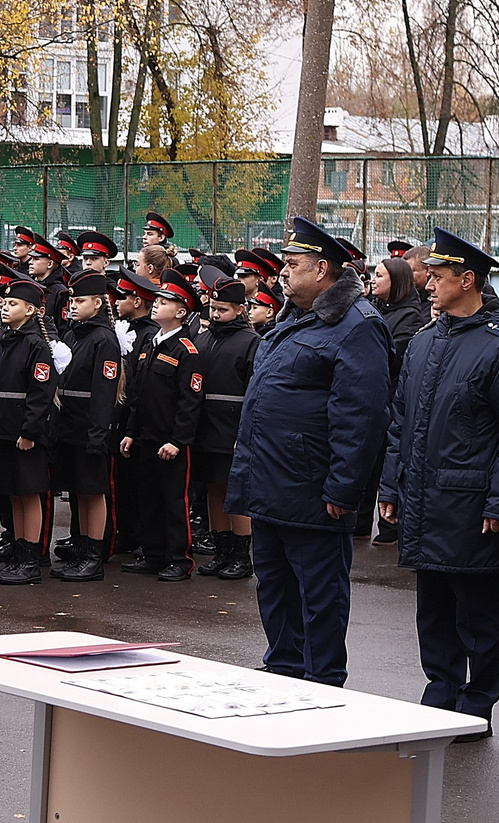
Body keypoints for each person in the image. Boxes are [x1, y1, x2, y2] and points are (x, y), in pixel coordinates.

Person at [376, 230, 499, 729]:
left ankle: (476, 703)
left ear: (467, 280)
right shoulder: (425, 341)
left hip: (471, 502)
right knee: (433, 607)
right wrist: (391, 485)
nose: (428, 284)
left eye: (438, 276)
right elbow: (401, 421)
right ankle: (441, 690)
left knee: (476, 611)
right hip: (425, 498)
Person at [229, 217, 390, 685]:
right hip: (270, 482)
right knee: (274, 584)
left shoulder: (356, 325)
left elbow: (361, 416)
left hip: (313, 489)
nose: (283, 271)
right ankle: (283, 668)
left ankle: (323, 681)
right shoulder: (293, 318)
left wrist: (343, 487)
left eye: (293, 264)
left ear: (322, 270)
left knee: (320, 594)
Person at [116, 274, 205, 581]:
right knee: (149, 499)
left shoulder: (186, 350)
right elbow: (138, 395)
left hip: (170, 441)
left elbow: (190, 402)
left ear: (181, 311)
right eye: (158, 300)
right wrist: (131, 432)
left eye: (165, 302)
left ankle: (180, 559)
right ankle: (154, 555)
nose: (156, 304)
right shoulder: (152, 344)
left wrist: (178, 441)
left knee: (174, 501)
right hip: (146, 437)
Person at [0, 279, 59, 586]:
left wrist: (29, 432)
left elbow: (40, 394)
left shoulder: (36, 345)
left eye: (13, 304)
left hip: (25, 436)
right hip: (2, 431)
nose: (5, 307)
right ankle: (17, 552)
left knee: (28, 494)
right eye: (4, 302)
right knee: (13, 494)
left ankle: (30, 559)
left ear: (29, 310)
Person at [48, 270, 124, 582]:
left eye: (80, 301)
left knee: (93, 492)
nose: (73, 307)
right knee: (79, 492)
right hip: (70, 426)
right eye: (72, 301)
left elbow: (104, 392)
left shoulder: (103, 340)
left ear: (97, 303)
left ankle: (94, 555)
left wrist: (98, 434)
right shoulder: (73, 335)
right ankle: (81, 548)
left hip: (90, 428)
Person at [192, 279, 263, 580]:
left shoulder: (251, 342)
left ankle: (241, 555)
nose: (216, 314)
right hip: (205, 427)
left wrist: (246, 433)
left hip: (233, 428)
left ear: (239, 309)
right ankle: (221, 550)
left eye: (223, 309)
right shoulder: (203, 339)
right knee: (213, 488)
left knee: (237, 492)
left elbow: (255, 390)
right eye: (213, 308)